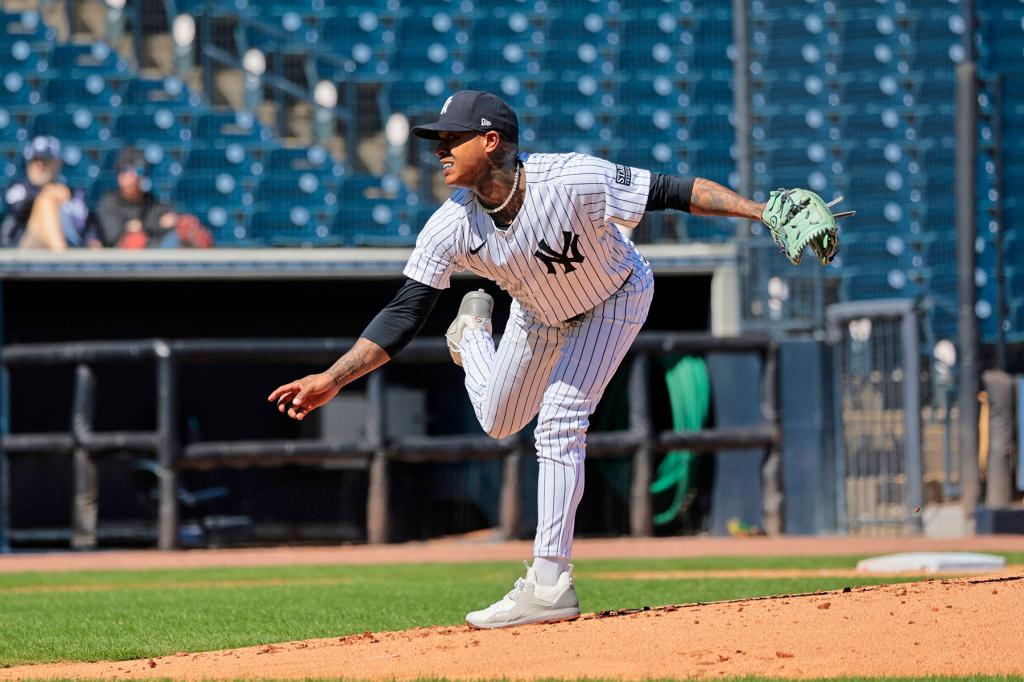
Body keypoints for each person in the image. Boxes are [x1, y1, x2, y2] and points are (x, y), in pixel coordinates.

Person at [267, 90, 845, 629]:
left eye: (452, 137)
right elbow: (404, 312)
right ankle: (472, 334)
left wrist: (761, 210)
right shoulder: (450, 226)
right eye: (437, 140)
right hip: (536, 313)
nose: (439, 149)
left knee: (561, 419)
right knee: (498, 423)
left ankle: (549, 581)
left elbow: (672, 190)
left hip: (614, 297)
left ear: (491, 140)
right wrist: (334, 377)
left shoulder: (572, 178)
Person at [97, 146, 211, 248]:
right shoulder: (109, 202)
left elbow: (170, 217)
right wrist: (152, 225)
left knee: (182, 230)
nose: (133, 177)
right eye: (126, 171)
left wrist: (142, 225)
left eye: (138, 172)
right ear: (119, 175)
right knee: (134, 240)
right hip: (122, 264)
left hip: (158, 255)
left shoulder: (150, 200)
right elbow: (113, 237)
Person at [0, 135, 102, 250]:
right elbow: (17, 208)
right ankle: (65, 262)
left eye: (45, 161)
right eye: (35, 160)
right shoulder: (18, 187)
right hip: (23, 251)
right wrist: (46, 191)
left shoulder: (73, 194)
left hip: (71, 244)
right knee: (46, 203)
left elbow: (90, 229)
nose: (39, 166)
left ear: (58, 163)